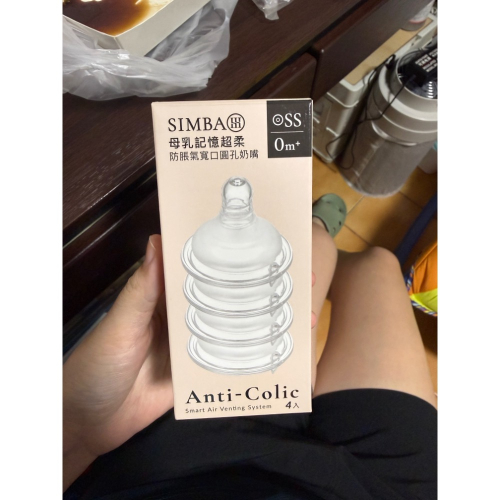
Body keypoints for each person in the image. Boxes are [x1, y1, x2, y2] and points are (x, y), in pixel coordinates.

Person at [63, 194, 437, 499]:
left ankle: (317, 233)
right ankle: (321, 236)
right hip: (375, 489)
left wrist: (75, 431)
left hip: (178, 467)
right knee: (378, 265)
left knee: (308, 257)